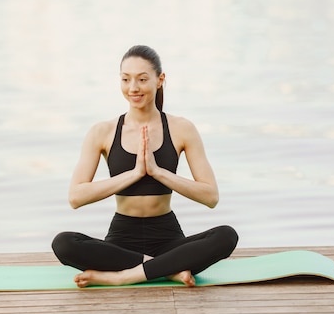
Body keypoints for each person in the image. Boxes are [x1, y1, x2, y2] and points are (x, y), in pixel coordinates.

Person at [51, 45, 238, 288]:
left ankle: (124, 276)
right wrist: (134, 174)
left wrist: (158, 172)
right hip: (121, 239)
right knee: (63, 243)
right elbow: (76, 197)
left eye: (142, 79)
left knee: (226, 236)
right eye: (126, 79)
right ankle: (167, 269)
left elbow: (211, 197)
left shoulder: (182, 128)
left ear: (160, 80)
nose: (133, 88)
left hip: (168, 237)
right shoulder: (103, 132)